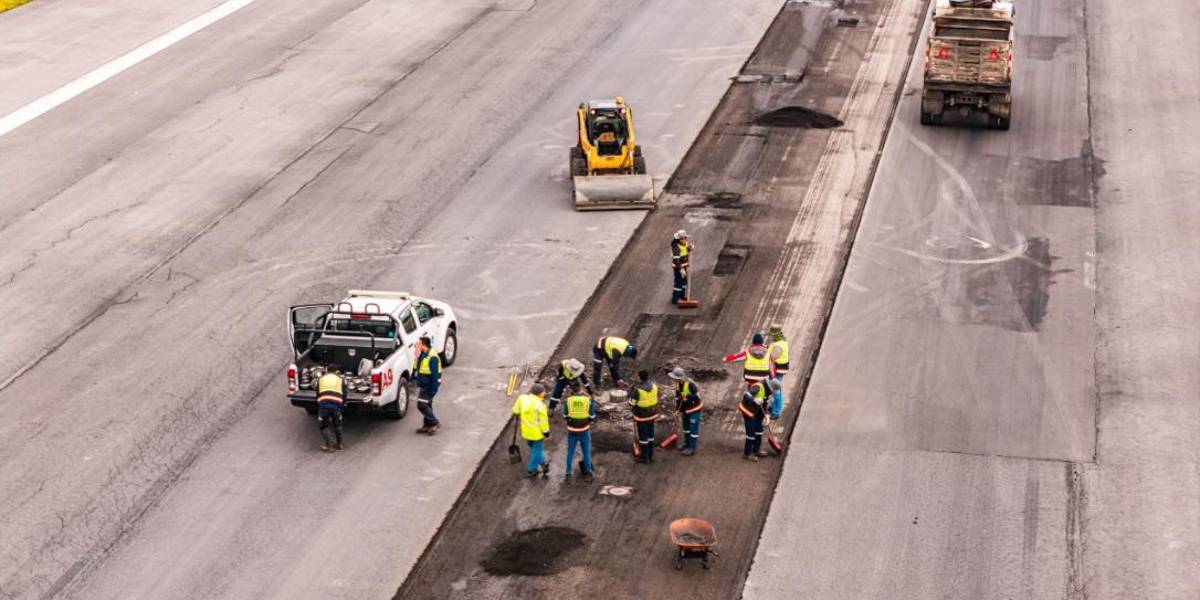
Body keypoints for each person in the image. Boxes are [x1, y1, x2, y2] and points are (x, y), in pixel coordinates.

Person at [512, 383, 551, 478]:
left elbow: (515, 411)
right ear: (539, 393)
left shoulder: (522, 398)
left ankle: (542, 462)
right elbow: (543, 421)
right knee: (535, 451)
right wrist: (546, 432)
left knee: (534, 448)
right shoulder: (540, 405)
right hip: (537, 434)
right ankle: (531, 470)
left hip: (526, 432)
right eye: (543, 392)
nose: (544, 393)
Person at [562, 383, 595, 483]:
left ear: (572, 390)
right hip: (584, 430)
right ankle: (588, 473)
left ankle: (568, 474)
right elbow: (592, 416)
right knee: (586, 452)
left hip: (572, 431)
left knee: (570, 453)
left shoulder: (568, 401)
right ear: (581, 388)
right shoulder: (588, 400)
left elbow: (565, 416)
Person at [668, 367, 702, 456]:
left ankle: (692, 448)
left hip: (694, 410)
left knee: (693, 429)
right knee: (686, 428)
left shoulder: (690, 384)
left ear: (679, 378)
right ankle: (687, 444)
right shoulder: (678, 385)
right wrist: (677, 410)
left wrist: (687, 395)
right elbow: (678, 400)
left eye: (674, 378)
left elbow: (697, 398)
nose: (673, 380)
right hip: (686, 410)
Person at [739, 378, 776, 461]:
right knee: (751, 433)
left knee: (759, 430)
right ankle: (747, 454)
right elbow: (746, 395)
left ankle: (756, 449)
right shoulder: (758, 387)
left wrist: (767, 416)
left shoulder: (769, 393)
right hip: (749, 411)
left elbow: (767, 405)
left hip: (758, 412)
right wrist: (754, 400)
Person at [414, 336, 442, 435]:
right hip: (424, 383)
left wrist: (433, 390)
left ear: (424, 344)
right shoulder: (423, 354)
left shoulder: (432, 357)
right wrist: (416, 357)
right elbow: (417, 368)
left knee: (421, 404)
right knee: (427, 404)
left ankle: (434, 422)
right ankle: (427, 425)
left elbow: (435, 375)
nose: (417, 344)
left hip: (429, 384)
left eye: (419, 343)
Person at [630, 369, 659, 463]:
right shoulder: (654, 386)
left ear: (639, 377)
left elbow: (631, 403)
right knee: (651, 435)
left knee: (643, 437)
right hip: (652, 414)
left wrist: (631, 392)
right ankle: (651, 455)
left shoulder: (637, 390)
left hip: (642, 416)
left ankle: (644, 457)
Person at [316, 371, 345, 452]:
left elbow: (318, 394)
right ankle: (339, 444)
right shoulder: (340, 379)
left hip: (324, 405)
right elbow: (344, 394)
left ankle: (330, 445)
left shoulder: (321, 379)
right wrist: (342, 407)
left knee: (324, 426)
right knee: (338, 424)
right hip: (337, 405)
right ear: (336, 371)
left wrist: (320, 405)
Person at [767, 325, 789, 419]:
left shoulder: (778, 346)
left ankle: (776, 412)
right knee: (775, 390)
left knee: (776, 391)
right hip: (779, 369)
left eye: (772, 334)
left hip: (777, 370)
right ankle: (774, 408)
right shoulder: (781, 342)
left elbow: (772, 357)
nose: (770, 336)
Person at [670, 229, 693, 305]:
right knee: (679, 283)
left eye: (686, 238)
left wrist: (689, 248)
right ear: (680, 239)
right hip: (678, 268)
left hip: (684, 267)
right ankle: (676, 298)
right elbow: (677, 261)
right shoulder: (676, 248)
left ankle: (682, 296)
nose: (686, 240)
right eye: (684, 238)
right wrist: (680, 269)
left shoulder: (683, 244)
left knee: (684, 282)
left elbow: (685, 251)